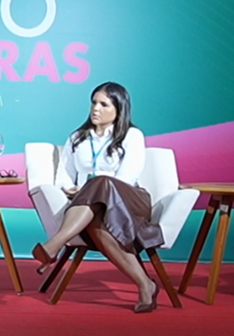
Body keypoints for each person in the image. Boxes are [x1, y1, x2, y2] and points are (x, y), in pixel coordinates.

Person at [30, 82, 163, 313]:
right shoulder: (78, 138)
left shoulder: (131, 135)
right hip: (89, 207)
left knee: (100, 182)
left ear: (119, 109)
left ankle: (55, 244)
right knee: (96, 223)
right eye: (94, 103)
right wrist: (70, 188)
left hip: (130, 202)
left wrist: (91, 184)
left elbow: (126, 178)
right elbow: (63, 177)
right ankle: (146, 285)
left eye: (104, 104)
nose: (96, 109)